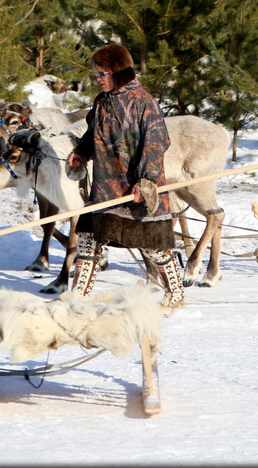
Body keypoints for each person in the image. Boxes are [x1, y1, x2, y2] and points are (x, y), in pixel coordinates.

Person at [65, 43, 185, 314]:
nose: (98, 78)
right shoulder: (101, 101)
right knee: (88, 242)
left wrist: (146, 180)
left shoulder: (144, 102)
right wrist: (81, 153)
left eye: (103, 73)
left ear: (119, 72)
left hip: (136, 188)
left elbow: (156, 143)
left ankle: (175, 293)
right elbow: (91, 134)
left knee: (154, 248)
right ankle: (77, 300)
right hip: (105, 189)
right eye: (96, 73)